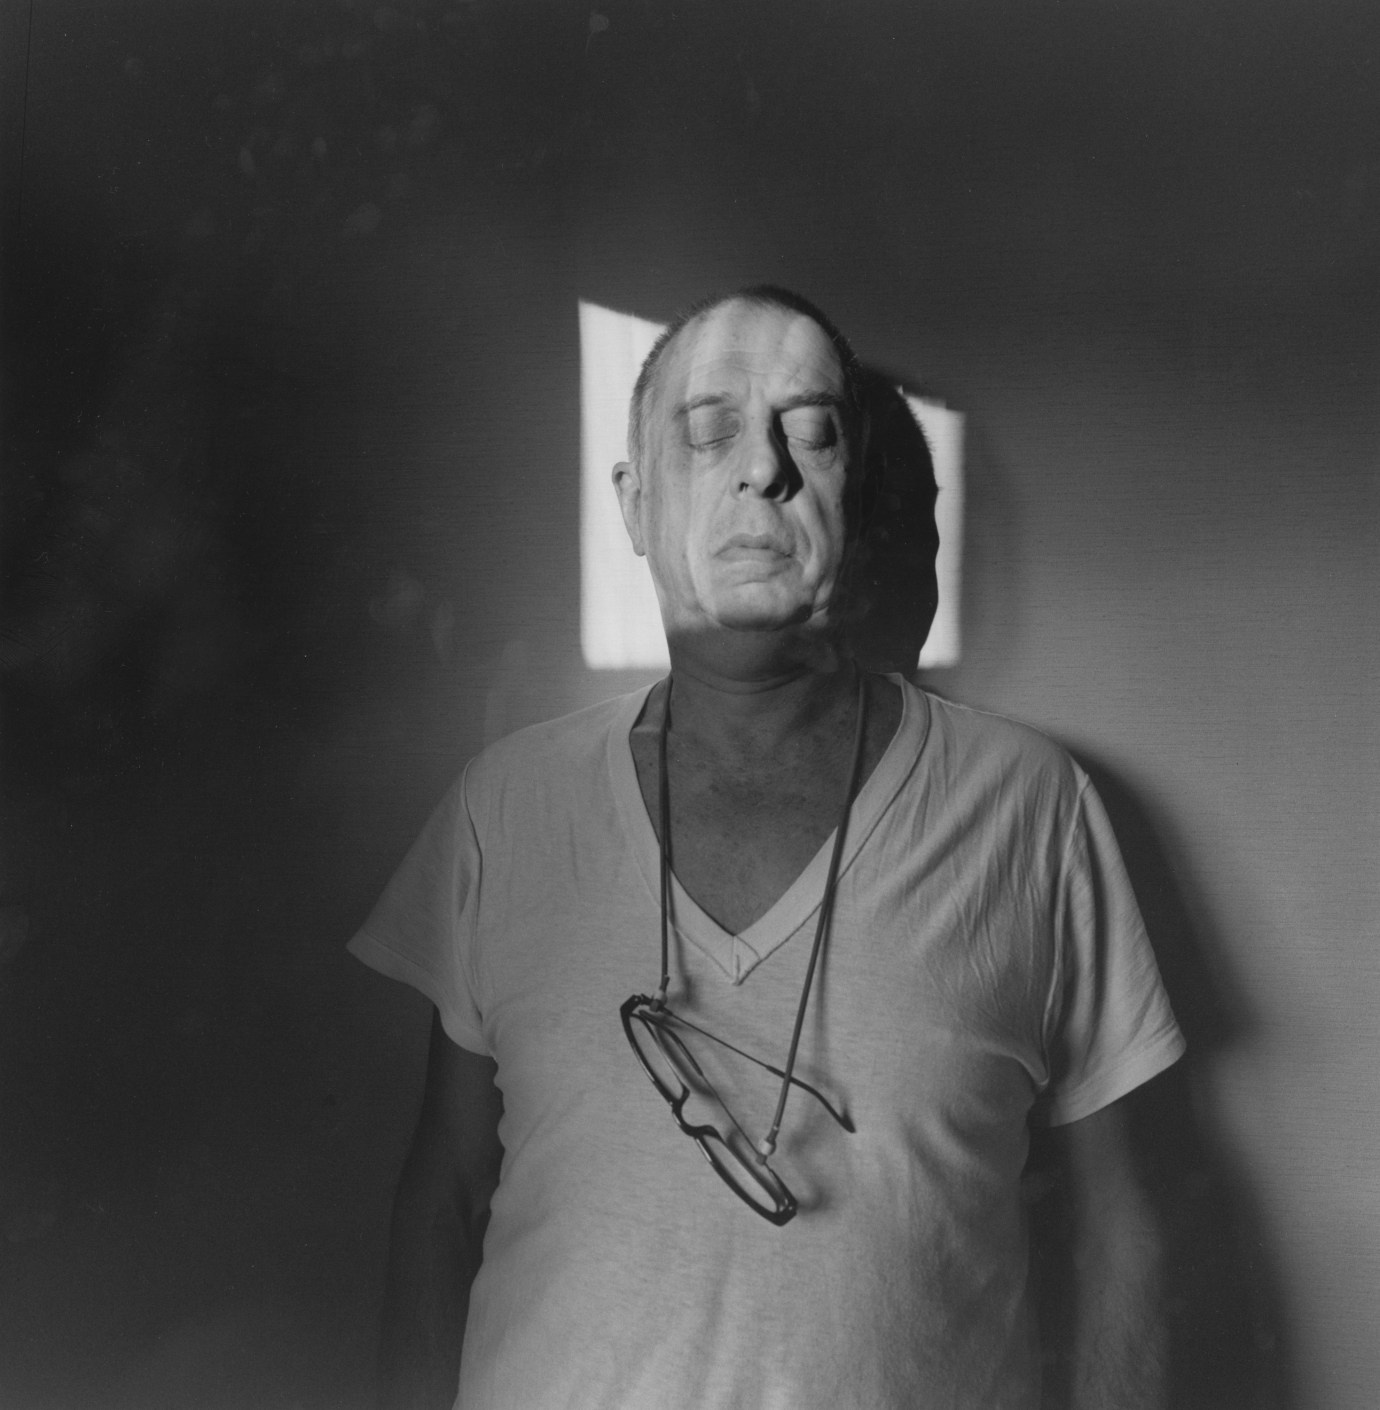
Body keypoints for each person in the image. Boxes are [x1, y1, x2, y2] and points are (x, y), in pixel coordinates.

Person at [348, 286, 1185, 1409]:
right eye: (709, 430)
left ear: (857, 497)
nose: (763, 469)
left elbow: (1122, 1232)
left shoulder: (1032, 807)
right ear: (634, 503)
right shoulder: (505, 808)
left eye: (813, 432)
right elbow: (441, 1197)